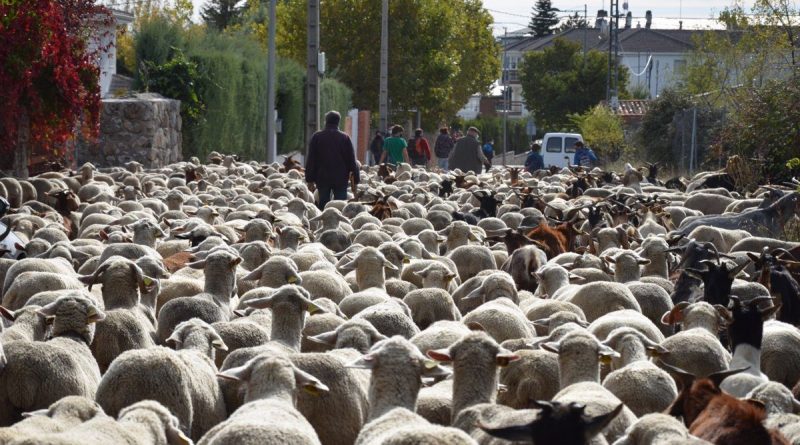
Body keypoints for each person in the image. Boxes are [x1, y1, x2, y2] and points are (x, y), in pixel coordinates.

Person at [305, 111, 360, 210]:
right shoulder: (345, 138)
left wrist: (309, 179)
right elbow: (352, 160)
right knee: (341, 204)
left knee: (323, 203)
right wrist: (356, 179)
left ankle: (323, 217)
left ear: (326, 121)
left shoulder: (317, 137)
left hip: (322, 177)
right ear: (338, 122)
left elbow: (311, 159)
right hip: (340, 178)